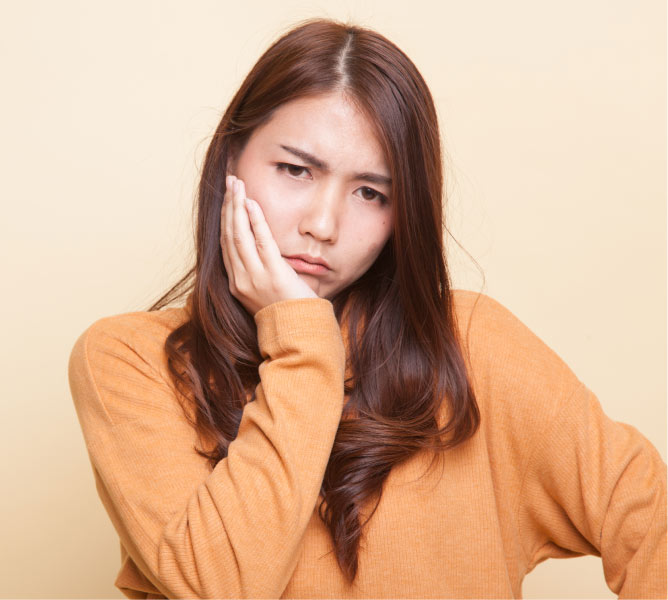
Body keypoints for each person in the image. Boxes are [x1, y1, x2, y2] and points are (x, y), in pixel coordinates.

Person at [68, 18, 666, 598]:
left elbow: (650, 518)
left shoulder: (471, 346)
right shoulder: (132, 361)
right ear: (230, 161)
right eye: (296, 170)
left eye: (370, 193)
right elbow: (222, 587)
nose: (323, 225)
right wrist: (302, 341)